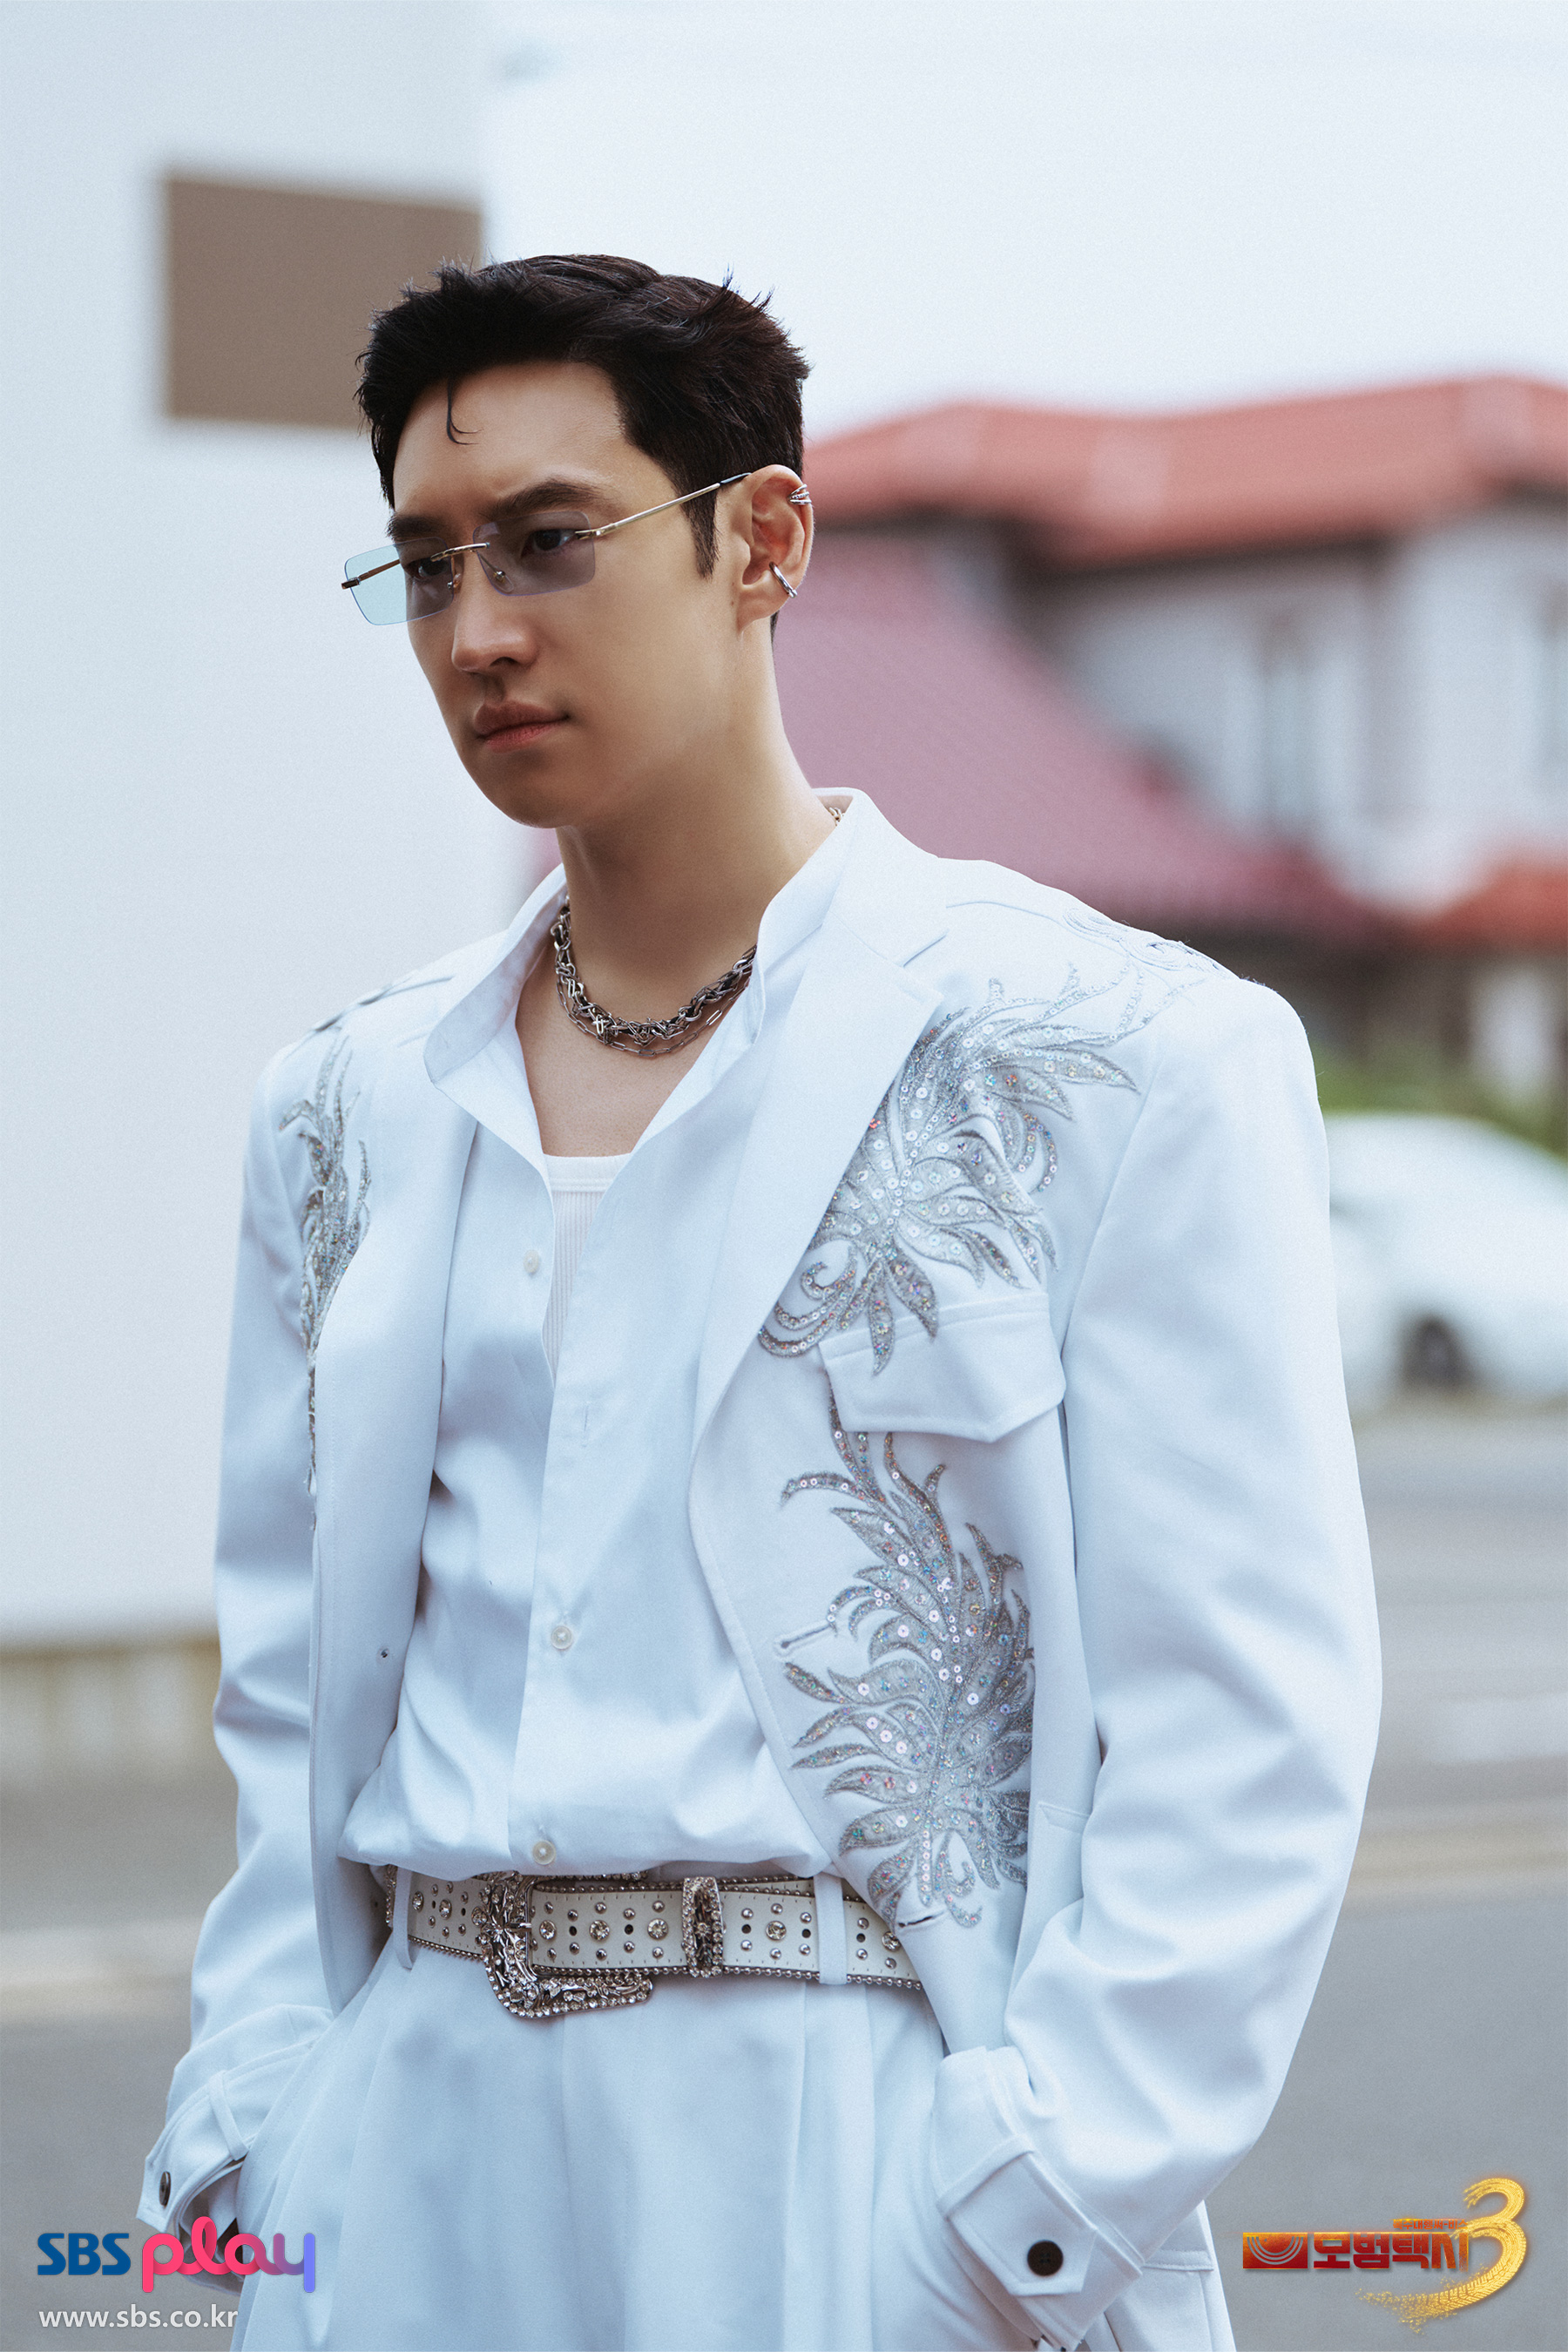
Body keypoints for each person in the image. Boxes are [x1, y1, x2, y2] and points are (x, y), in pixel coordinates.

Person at [139, 254, 1380, 2352]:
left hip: (846, 2143)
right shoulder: (343, 1106)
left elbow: (1246, 1725)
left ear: (766, 542)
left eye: (550, 540)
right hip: (403, 2150)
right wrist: (260, 2135)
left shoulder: (1108, 1055)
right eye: (426, 568)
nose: (478, 630)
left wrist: (1019, 2210)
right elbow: (287, 1706)